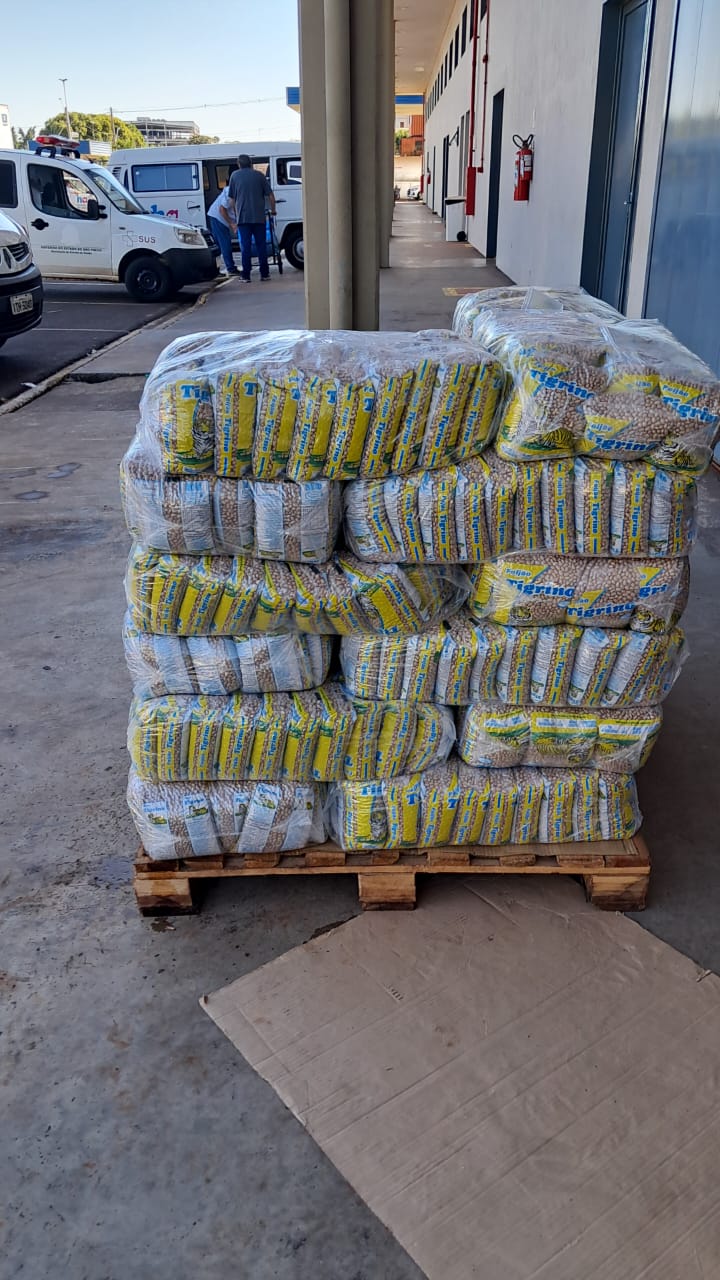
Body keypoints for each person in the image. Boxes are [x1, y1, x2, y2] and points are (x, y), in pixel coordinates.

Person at [227, 154, 276, 282]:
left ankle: (246, 275)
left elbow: (231, 199)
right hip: (259, 218)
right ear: (251, 163)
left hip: (243, 219)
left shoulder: (234, 176)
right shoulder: (259, 176)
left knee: (245, 248)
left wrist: (235, 215)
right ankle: (265, 274)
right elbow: (271, 196)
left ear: (238, 164)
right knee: (261, 246)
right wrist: (273, 210)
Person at [207, 186, 238, 276]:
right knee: (225, 244)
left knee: (218, 246)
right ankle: (230, 269)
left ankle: (213, 270)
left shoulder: (237, 189)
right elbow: (222, 209)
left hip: (216, 216)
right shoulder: (230, 192)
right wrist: (232, 224)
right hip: (218, 217)